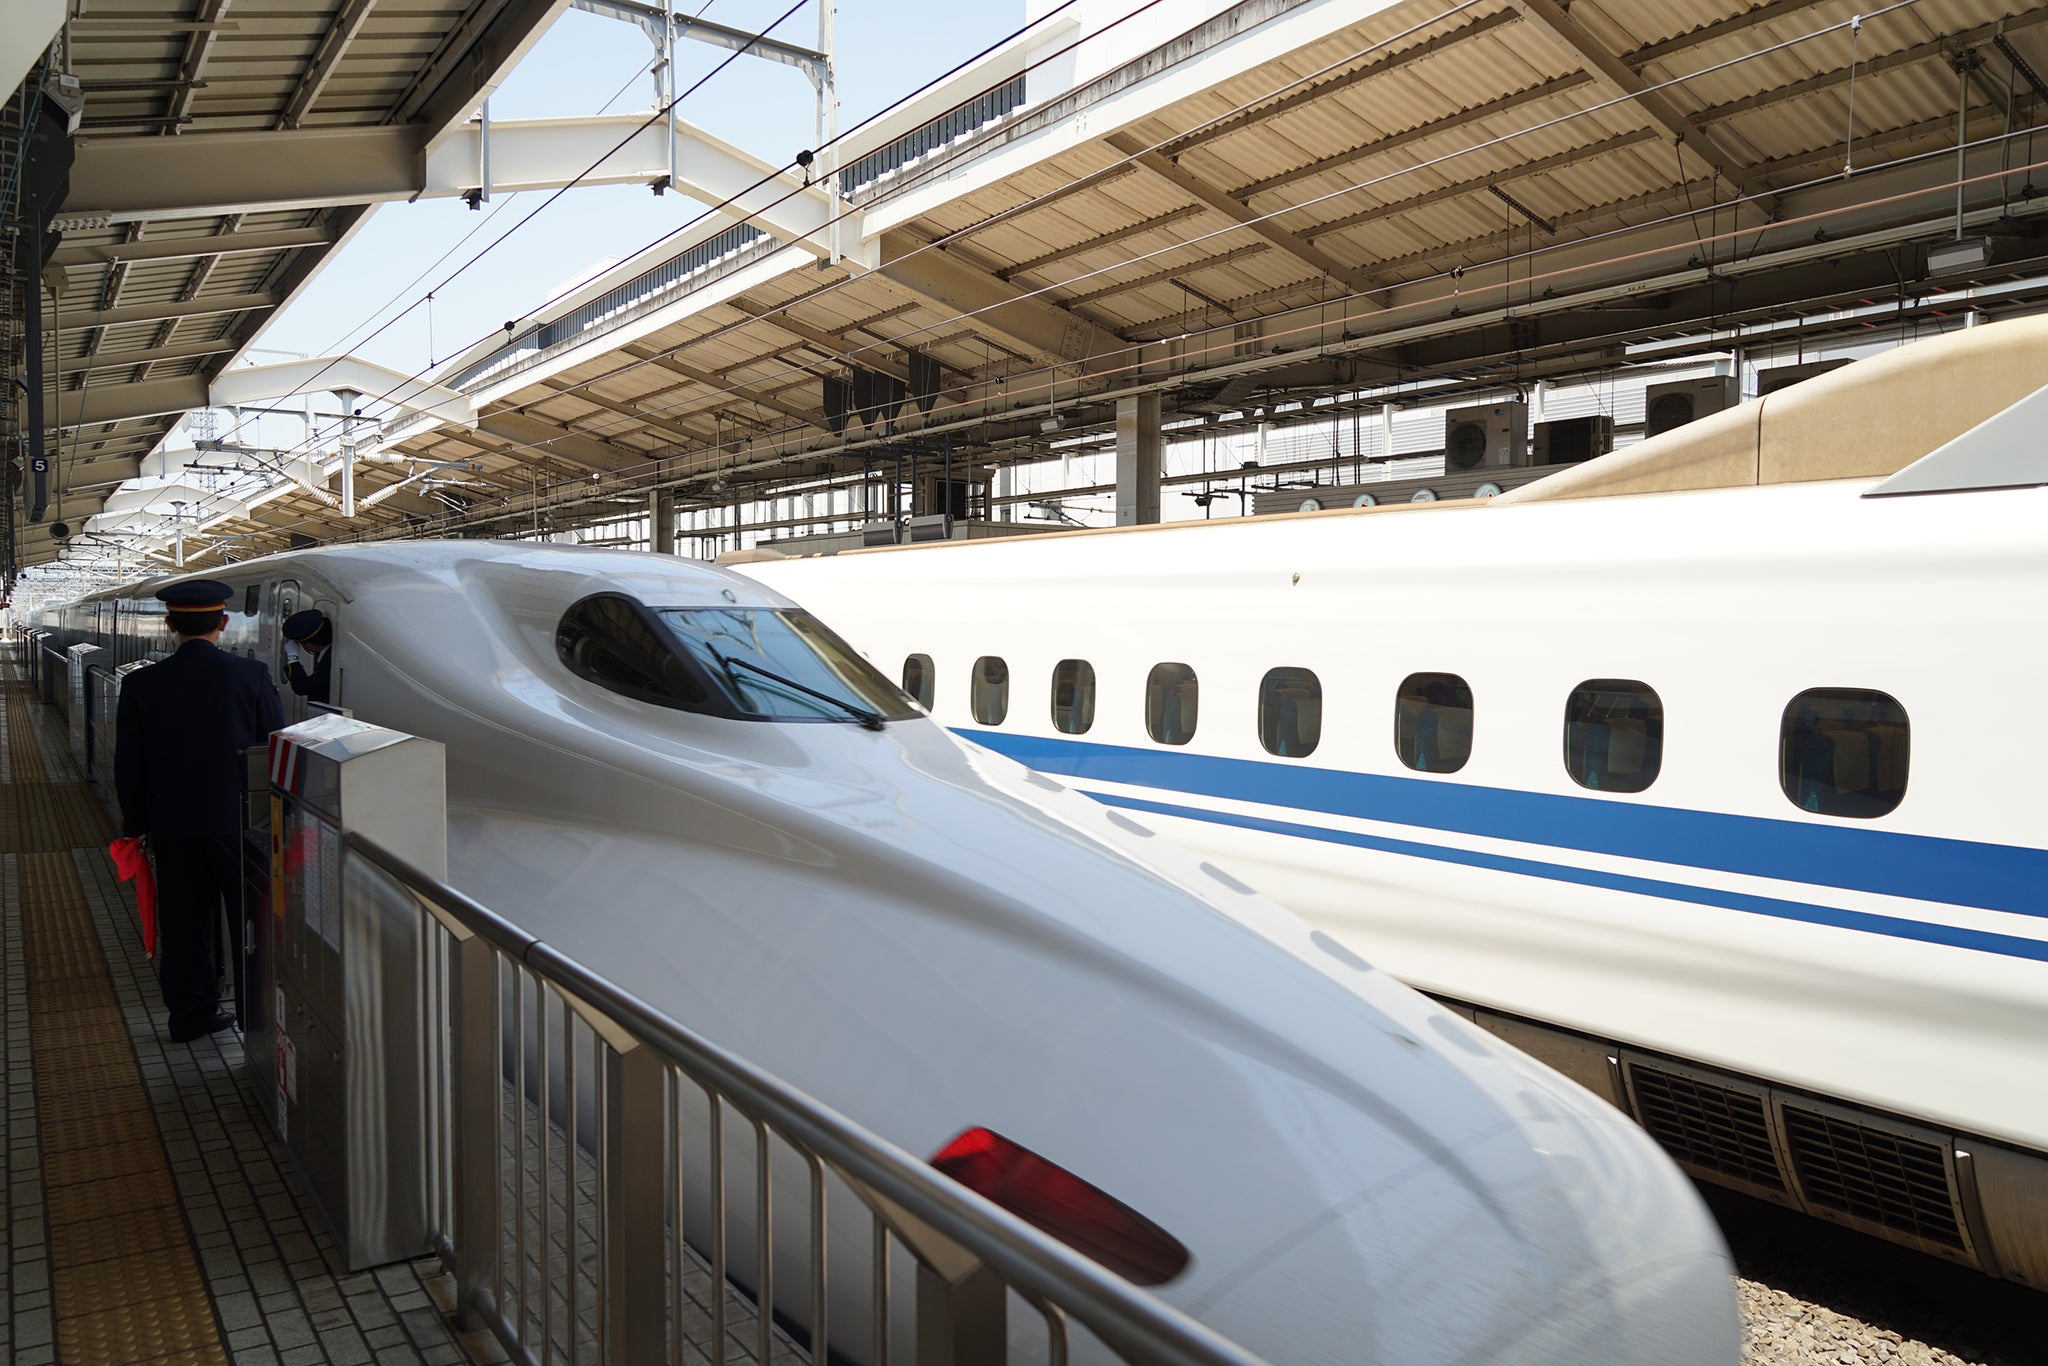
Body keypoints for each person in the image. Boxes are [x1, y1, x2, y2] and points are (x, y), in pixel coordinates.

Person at [115, 579, 284, 1042]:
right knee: (251, 921)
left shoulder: (140, 685)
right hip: (239, 826)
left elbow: (128, 763)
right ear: (224, 623)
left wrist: (136, 826)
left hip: (173, 827)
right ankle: (256, 1021)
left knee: (185, 926)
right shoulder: (250, 677)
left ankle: (190, 1017)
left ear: (169, 624)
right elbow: (273, 747)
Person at [281, 608, 333, 705]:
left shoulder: (329, 661)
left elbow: (302, 687)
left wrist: (293, 658)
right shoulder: (329, 652)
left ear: (311, 645)